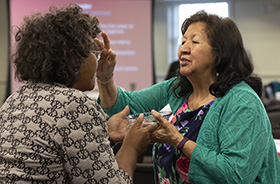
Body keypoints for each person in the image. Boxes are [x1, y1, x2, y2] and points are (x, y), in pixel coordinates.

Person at [96, 10, 280, 183]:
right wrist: (105, 78)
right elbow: (123, 106)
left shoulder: (241, 101)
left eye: (194, 42)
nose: (184, 48)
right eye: (183, 41)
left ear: (219, 52)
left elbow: (237, 175)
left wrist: (178, 140)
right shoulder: (176, 90)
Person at [0, 4, 158, 183]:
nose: (97, 59)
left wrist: (103, 133)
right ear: (73, 58)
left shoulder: (15, 98)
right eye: (92, 52)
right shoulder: (75, 104)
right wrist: (131, 146)